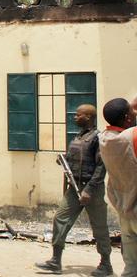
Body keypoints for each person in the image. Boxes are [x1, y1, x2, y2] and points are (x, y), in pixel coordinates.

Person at [35, 104, 113, 276]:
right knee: (60, 219)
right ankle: (55, 261)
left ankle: (106, 264)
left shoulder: (97, 138)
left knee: (99, 226)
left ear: (89, 117)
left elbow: (101, 167)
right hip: (74, 188)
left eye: (79, 115)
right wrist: (64, 160)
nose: (75, 117)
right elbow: (73, 158)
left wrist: (89, 190)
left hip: (91, 188)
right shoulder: (78, 136)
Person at [99, 98, 137, 276]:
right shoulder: (131, 137)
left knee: (131, 268)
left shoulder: (105, 139)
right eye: (132, 112)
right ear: (127, 118)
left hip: (125, 211)